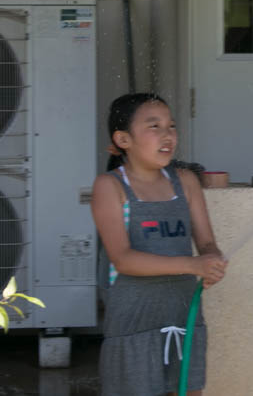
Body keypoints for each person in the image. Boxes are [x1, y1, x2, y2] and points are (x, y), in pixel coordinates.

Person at [92, 92, 227, 395]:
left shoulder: (185, 181)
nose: (168, 135)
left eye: (172, 126)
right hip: (133, 326)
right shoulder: (110, 186)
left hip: (183, 318)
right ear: (123, 139)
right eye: (154, 127)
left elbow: (206, 242)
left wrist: (212, 259)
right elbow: (123, 259)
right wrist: (193, 264)